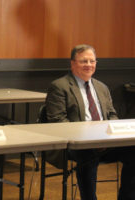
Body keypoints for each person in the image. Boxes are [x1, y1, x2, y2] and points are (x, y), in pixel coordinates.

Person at [45, 44, 135, 200]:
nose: (89, 65)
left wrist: (112, 133)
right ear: (73, 63)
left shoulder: (102, 87)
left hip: (105, 142)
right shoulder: (59, 87)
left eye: (92, 61)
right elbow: (58, 122)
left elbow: (112, 115)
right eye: (83, 61)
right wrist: (89, 139)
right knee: (87, 154)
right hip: (76, 145)